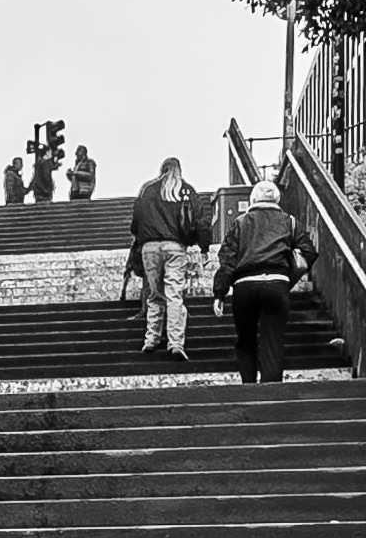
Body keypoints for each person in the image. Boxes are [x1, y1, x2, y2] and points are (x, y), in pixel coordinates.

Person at [214, 189, 313, 382]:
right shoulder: (290, 222)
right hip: (277, 285)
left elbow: (227, 259)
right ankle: (271, 390)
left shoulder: (240, 223)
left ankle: (249, 387)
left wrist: (220, 292)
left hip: (245, 286)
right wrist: (287, 276)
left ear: (253, 199)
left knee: (246, 340)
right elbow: (308, 251)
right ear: (277, 199)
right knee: (273, 342)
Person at [124, 158, 217, 357]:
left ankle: (151, 339)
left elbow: (135, 222)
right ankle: (175, 343)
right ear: (179, 170)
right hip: (175, 247)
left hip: (149, 247)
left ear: (162, 169)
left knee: (154, 294)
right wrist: (204, 248)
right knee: (174, 295)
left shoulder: (147, 190)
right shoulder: (186, 190)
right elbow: (201, 222)